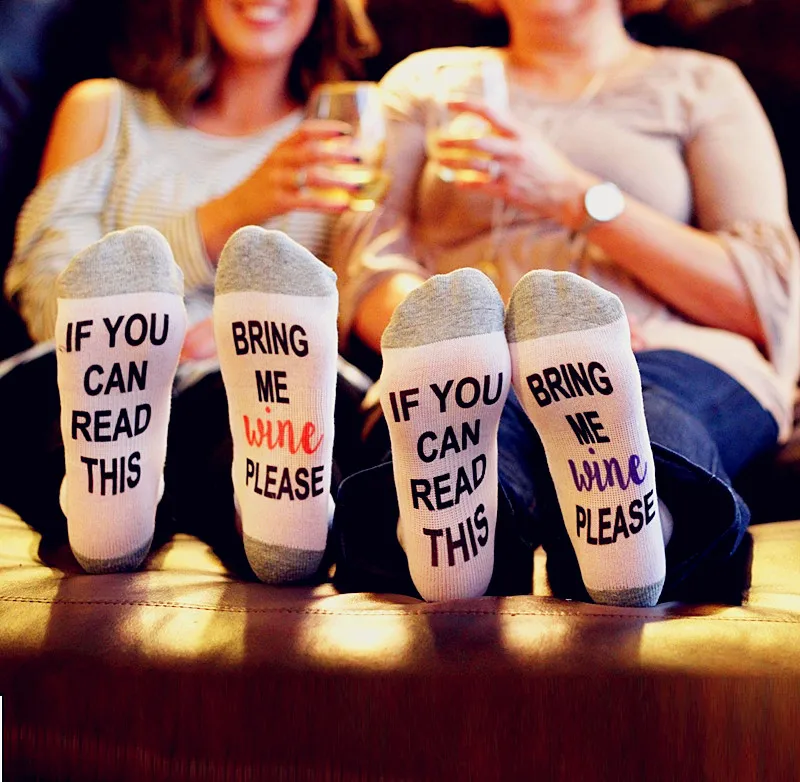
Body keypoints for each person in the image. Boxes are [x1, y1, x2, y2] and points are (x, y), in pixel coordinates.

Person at [329, 0, 800, 605]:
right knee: (466, 414)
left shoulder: (700, 84)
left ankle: (641, 528)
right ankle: (460, 537)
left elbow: (765, 298)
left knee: (644, 411)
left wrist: (576, 198)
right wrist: (469, 337)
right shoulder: (426, 83)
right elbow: (369, 270)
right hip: (473, 356)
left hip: (667, 346)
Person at [1, 0, 378, 581]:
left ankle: (270, 521)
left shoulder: (350, 132)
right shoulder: (107, 111)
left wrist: (240, 339)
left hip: (251, 386)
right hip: (100, 374)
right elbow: (48, 300)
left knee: (258, 405)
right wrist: (230, 213)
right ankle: (112, 505)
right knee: (54, 389)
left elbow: (363, 299)